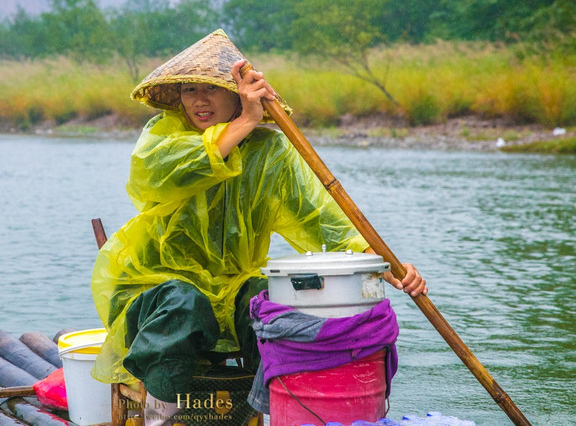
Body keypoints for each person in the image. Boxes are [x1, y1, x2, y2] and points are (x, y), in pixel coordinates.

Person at [91, 30, 426, 424]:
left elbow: (322, 221)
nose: (199, 100)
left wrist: (382, 265)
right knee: (185, 302)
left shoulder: (270, 152)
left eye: (212, 89)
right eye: (189, 89)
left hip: (231, 288)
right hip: (155, 288)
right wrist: (246, 121)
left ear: (237, 94)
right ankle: (159, 416)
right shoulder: (164, 137)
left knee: (271, 298)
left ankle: (270, 410)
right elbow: (158, 176)